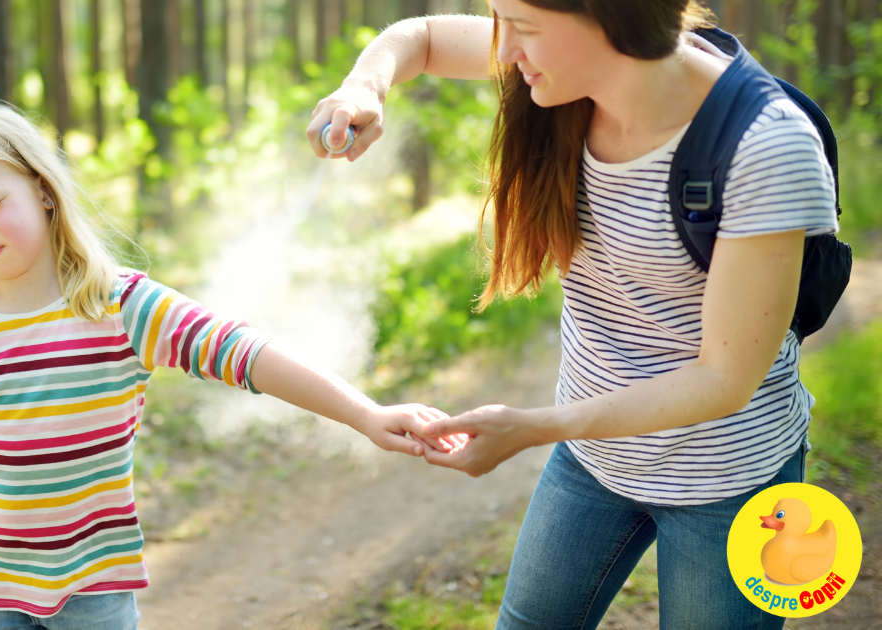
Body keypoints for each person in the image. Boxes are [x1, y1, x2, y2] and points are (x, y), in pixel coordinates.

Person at [309, 2, 837, 628]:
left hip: (726, 478)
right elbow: (421, 38)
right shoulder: (561, 71)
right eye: (501, 19)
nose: (504, 51)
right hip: (593, 458)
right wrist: (364, 85)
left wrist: (536, 426)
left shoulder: (765, 144)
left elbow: (725, 379)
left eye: (523, 28)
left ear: (613, 18)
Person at [0, 105, 447, 630]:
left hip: (93, 590)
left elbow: (243, 352)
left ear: (43, 190)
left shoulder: (120, 307)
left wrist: (366, 414)